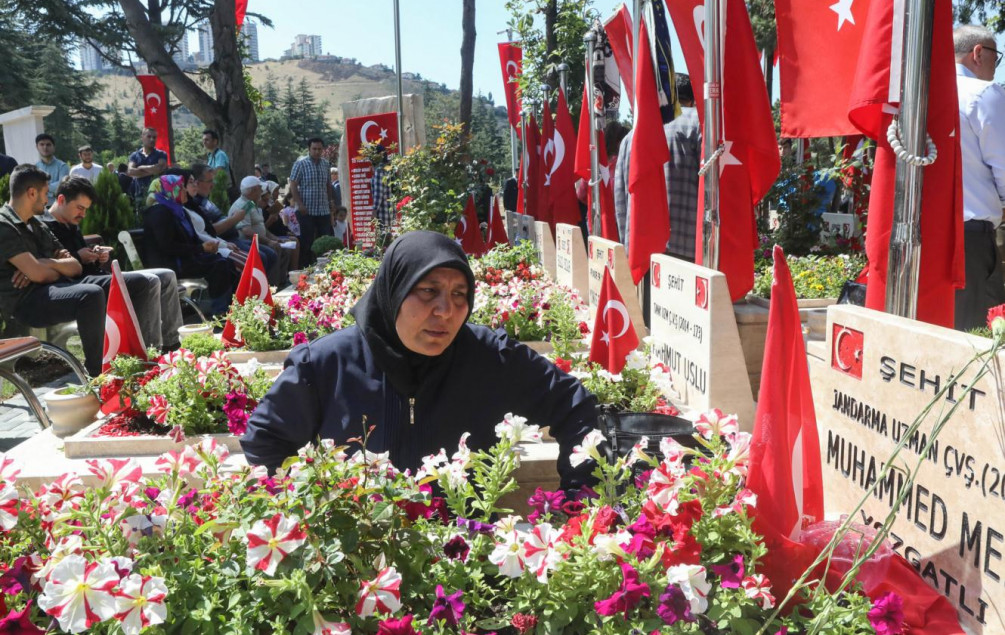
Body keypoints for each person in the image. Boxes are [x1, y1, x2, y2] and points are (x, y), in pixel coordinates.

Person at [241, 231, 597, 489]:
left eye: (459, 294)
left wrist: (579, 497)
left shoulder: (491, 358)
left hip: (464, 567)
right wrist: (303, 519)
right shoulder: (323, 365)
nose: (446, 311)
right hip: (359, 572)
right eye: (428, 291)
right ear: (394, 291)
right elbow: (267, 442)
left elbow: (577, 407)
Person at [44, 177, 182, 352]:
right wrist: (79, 257)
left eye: (86, 209)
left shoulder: (71, 222)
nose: (83, 214)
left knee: (167, 275)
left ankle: (172, 346)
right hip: (78, 287)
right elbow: (55, 266)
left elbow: (75, 252)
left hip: (97, 276)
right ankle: (148, 354)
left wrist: (95, 253)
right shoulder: (45, 228)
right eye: (80, 208)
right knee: (149, 281)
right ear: (62, 200)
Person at [0, 165, 104, 375]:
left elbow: (74, 266)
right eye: (46, 193)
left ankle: (130, 354)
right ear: (31, 193)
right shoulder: (4, 226)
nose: (48, 200)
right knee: (90, 295)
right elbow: (40, 273)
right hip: (25, 304)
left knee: (117, 283)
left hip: (52, 289)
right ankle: (98, 373)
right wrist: (45, 268)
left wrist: (41, 264)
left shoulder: (37, 224)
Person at [954, 25, 1005, 331]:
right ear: (977, 54)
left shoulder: (919, 94)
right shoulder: (983, 92)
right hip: (971, 238)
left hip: (925, 235)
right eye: (995, 59)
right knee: (976, 333)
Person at [142, 175, 235, 317]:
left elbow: (190, 239)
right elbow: (167, 246)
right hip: (171, 264)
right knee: (219, 264)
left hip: (185, 259)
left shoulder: (177, 210)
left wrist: (206, 247)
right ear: (169, 191)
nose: (185, 190)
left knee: (226, 262)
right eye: (181, 187)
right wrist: (201, 248)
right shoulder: (159, 213)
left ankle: (233, 308)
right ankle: (220, 313)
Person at [191, 164, 278, 276]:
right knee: (260, 257)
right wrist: (234, 220)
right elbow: (210, 231)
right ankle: (254, 291)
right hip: (224, 242)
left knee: (270, 254)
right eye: (210, 181)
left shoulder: (205, 199)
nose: (213, 185)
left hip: (232, 239)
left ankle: (266, 288)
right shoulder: (196, 204)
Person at [663, 74, 701, 262]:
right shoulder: (700, 122)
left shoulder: (646, 126)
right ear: (692, 99)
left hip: (650, 243)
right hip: (689, 241)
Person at [229, 176, 291, 285]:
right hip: (246, 243)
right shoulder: (242, 205)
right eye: (259, 188)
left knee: (284, 249)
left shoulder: (252, 204)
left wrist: (274, 239)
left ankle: (280, 282)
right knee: (272, 252)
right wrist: (268, 242)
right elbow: (247, 231)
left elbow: (263, 228)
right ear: (252, 190)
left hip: (258, 241)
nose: (262, 191)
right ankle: (271, 287)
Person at [289, 137, 337, 256]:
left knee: (325, 241)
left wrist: (330, 200)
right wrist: (299, 204)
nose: (317, 151)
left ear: (322, 150)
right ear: (309, 149)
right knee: (307, 242)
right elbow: (293, 184)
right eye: (314, 149)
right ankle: (306, 268)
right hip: (306, 210)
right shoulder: (300, 164)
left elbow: (328, 184)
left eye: (319, 149)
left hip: (323, 209)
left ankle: (324, 267)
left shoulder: (325, 164)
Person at [128, 127, 168, 200]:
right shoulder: (134, 155)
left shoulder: (161, 154)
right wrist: (153, 171)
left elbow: (159, 168)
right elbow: (130, 171)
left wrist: (141, 168)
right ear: (142, 137)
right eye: (149, 136)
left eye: (154, 137)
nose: (152, 139)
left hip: (158, 196)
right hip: (139, 196)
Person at [34, 134, 69, 205]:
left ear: (54, 147)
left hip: (57, 207)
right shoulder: (35, 168)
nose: (45, 147)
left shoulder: (63, 166)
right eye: (42, 144)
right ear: (37, 147)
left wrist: (42, 188)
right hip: (39, 207)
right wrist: (52, 190)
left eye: (48, 145)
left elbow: (62, 187)